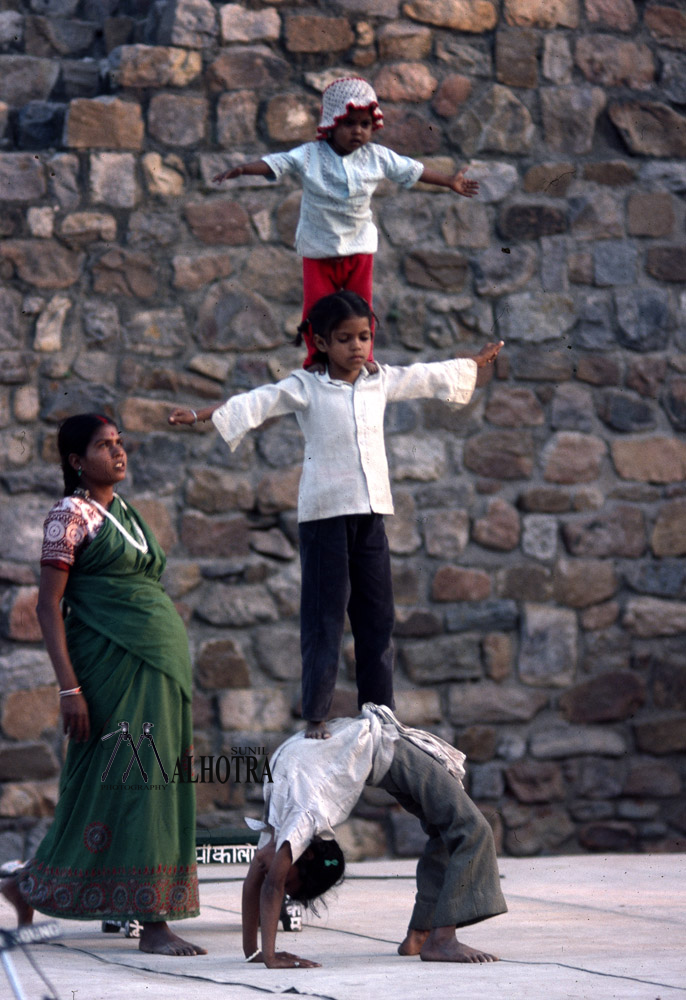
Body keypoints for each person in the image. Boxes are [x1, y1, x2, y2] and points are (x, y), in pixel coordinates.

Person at [169, 292, 503, 739]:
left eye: (364, 336)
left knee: (378, 617)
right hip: (326, 518)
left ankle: (380, 712)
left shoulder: (379, 380)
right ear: (322, 343)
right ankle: (317, 715)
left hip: (371, 515)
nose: (356, 347)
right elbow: (258, 401)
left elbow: (427, 376)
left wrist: (475, 364)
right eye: (344, 339)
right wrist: (201, 415)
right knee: (325, 617)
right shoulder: (306, 387)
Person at [0, 414, 206, 957]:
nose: (119, 453)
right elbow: (47, 606)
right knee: (130, 780)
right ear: (75, 461)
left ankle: (25, 885)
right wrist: (69, 689)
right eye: (104, 446)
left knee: (158, 779)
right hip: (108, 667)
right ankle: (153, 921)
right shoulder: (69, 514)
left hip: (157, 664)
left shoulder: (128, 516)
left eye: (120, 443)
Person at [212, 76, 479, 367]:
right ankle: (316, 358)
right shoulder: (310, 155)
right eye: (349, 124)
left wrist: (449, 181)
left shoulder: (377, 157)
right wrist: (243, 169)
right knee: (316, 308)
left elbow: (411, 170)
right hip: (319, 250)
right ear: (331, 123)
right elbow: (279, 162)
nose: (358, 132)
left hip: (359, 248)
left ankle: (366, 357)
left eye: (365, 125)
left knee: (362, 307)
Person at [241, 704, 507, 969]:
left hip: (389, 748)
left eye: (288, 877)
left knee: (471, 829)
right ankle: (439, 938)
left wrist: (270, 956)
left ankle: (424, 934)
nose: (275, 871)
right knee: (461, 827)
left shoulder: (298, 819)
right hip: (383, 757)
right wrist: (256, 953)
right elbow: (259, 885)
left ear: (306, 853)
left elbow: (270, 886)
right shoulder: (278, 828)